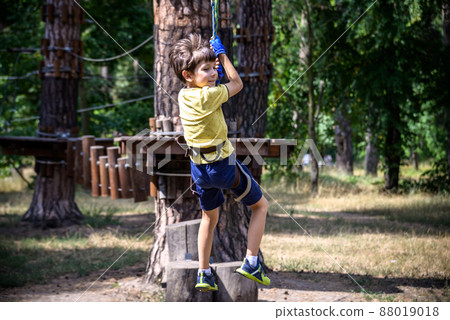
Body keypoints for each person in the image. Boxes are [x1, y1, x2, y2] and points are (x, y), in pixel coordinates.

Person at [169, 34, 270, 292]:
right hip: (222, 167)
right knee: (260, 206)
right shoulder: (209, 96)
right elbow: (237, 83)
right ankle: (251, 262)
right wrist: (223, 55)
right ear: (188, 75)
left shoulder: (184, 96)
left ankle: (204, 273)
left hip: (199, 171)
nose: (214, 73)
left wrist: (212, 62)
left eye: (214, 67)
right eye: (206, 69)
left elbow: (215, 82)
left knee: (209, 218)